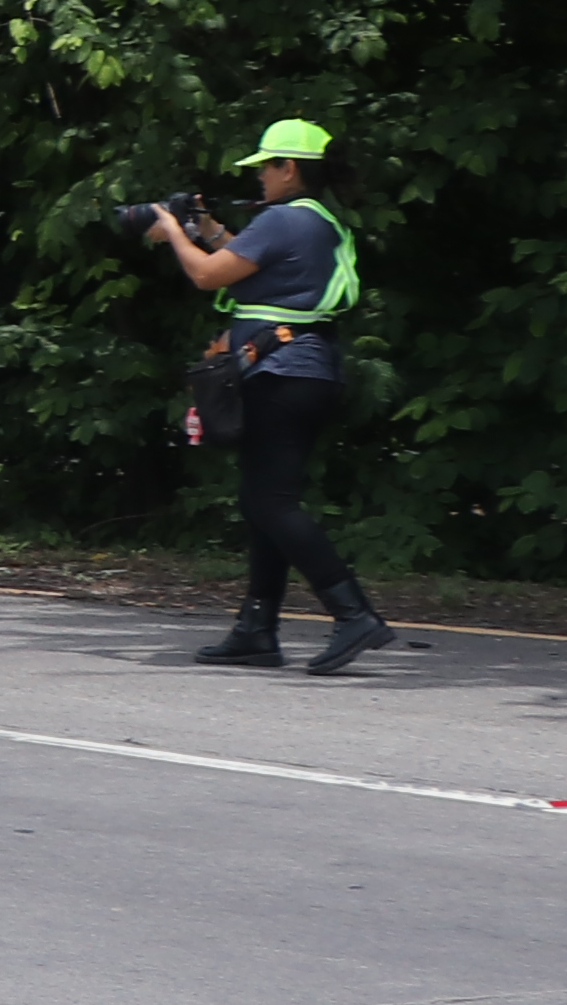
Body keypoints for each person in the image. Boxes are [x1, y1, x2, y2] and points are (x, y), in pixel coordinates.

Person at [143, 117, 391, 675]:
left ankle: (353, 613)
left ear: (291, 168)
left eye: (266, 167)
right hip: (303, 372)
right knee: (263, 501)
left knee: (270, 502)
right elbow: (242, 265)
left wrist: (173, 232)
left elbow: (209, 276)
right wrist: (205, 227)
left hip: (283, 375)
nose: (260, 178)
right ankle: (257, 630)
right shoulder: (312, 222)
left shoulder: (284, 219)